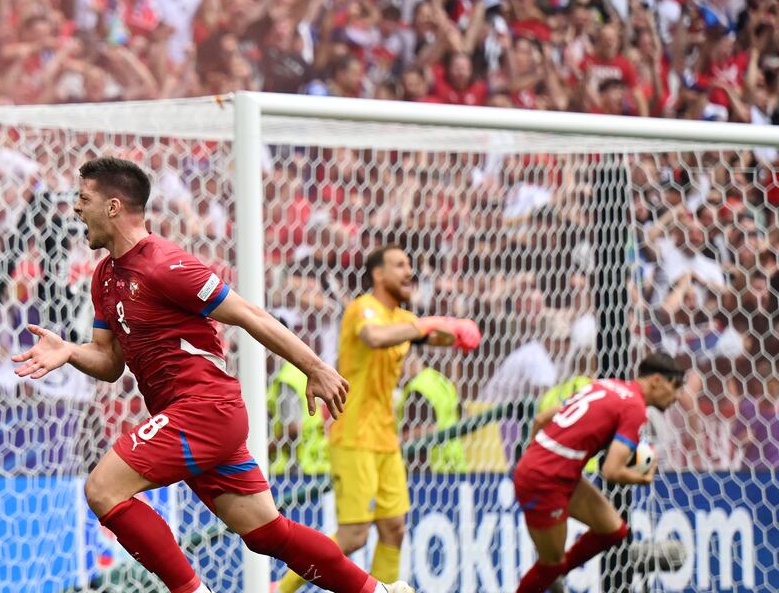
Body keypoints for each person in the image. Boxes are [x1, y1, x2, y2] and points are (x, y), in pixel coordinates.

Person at [14, 157, 412, 593]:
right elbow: (109, 364)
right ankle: (378, 591)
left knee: (103, 489)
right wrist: (70, 351)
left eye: (83, 198)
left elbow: (248, 314)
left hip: (205, 408)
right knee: (267, 534)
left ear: (113, 206)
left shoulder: (166, 264)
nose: (75, 208)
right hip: (196, 417)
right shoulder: (105, 277)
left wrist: (315, 368)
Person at [277, 245, 480, 593]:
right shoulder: (362, 310)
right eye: (400, 265)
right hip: (352, 432)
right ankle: (279, 589)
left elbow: (430, 334)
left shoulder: (403, 320)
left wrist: (458, 330)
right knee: (354, 535)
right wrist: (428, 324)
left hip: (386, 436)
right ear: (378, 274)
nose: (408, 272)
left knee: (394, 528)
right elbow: (376, 338)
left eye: (410, 265)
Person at [512, 353, 688, 593]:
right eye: (675, 386)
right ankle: (551, 572)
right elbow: (611, 471)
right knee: (550, 565)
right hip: (545, 480)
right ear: (656, 380)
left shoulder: (606, 385)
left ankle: (555, 572)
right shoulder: (635, 409)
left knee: (615, 530)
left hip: (558, 471)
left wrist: (537, 454)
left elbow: (542, 418)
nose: (677, 396)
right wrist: (642, 478)